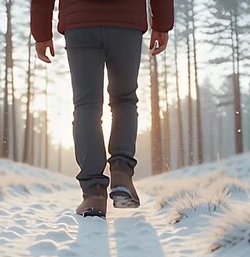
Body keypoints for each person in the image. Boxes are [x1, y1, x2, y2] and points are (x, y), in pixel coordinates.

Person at [31, 0, 174, 218]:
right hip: (126, 21)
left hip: (80, 22)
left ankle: (94, 195)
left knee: (86, 106)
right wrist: (162, 23)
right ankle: (121, 174)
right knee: (124, 99)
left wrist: (41, 32)